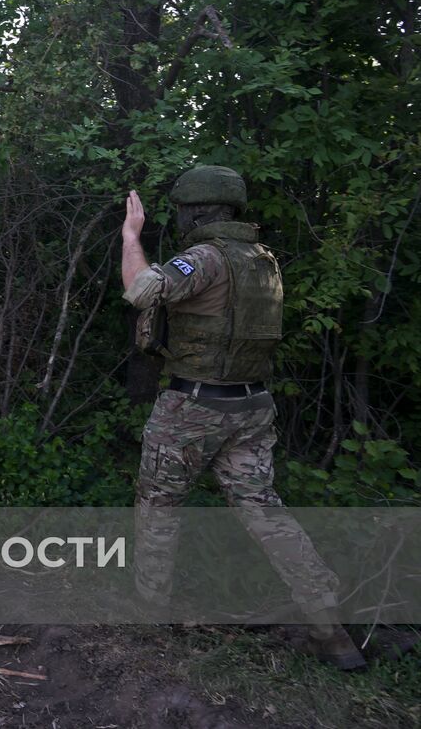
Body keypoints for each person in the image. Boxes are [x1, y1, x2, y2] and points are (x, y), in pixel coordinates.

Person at [120, 165, 365, 671]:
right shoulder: (263, 261)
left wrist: (131, 236)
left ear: (198, 210)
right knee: (265, 512)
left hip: (193, 407)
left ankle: (147, 615)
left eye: (184, 209)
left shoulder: (206, 259)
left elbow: (142, 290)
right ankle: (330, 629)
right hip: (251, 407)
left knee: (158, 507)